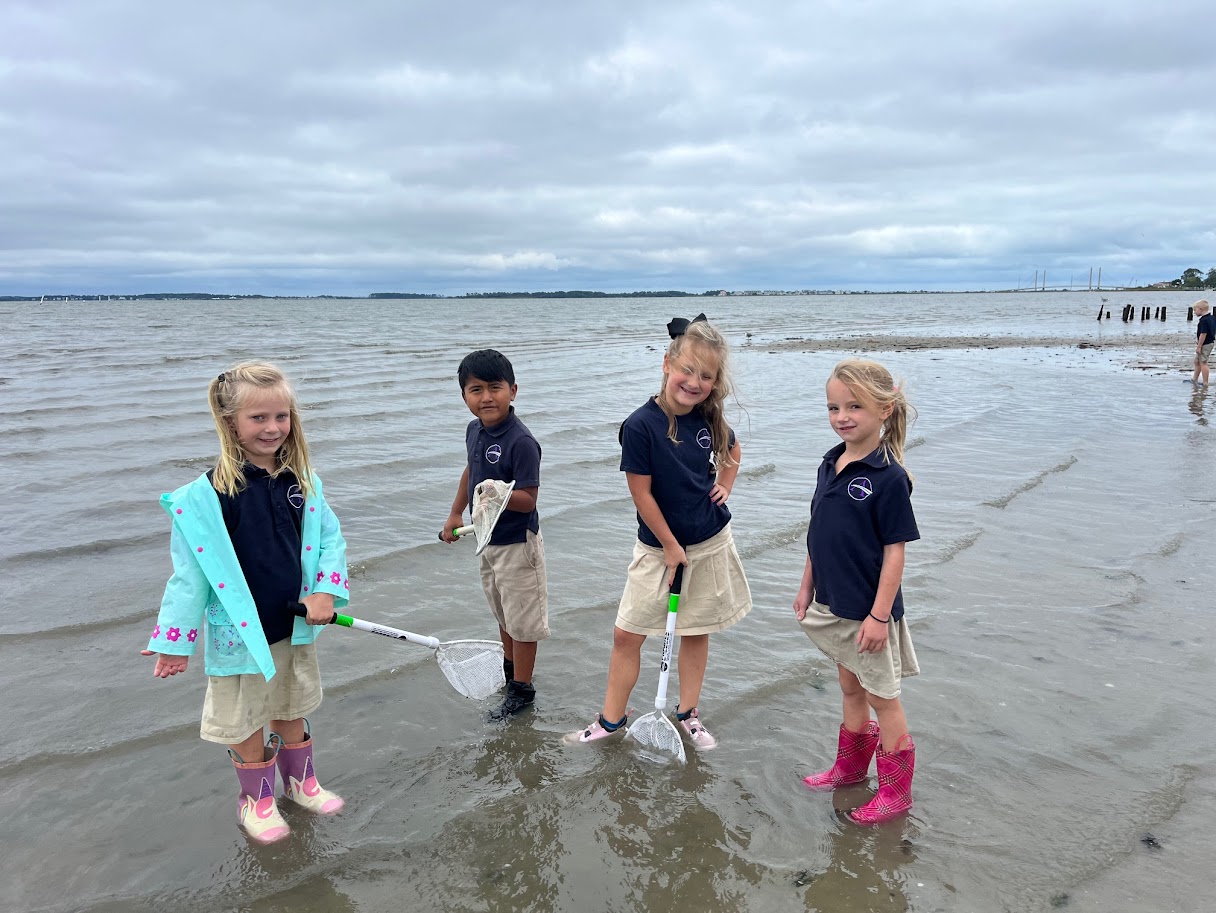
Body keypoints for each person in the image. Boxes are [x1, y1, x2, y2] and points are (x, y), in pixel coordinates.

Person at [141, 362, 349, 844]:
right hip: (241, 636)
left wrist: (324, 592)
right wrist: (175, 641)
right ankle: (256, 801)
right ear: (229, 421)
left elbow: (330, 542)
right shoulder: (208, 496)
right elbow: (189, 576)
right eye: (258, 418)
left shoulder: (304, 481)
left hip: (293, 627)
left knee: (290, 705)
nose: (273, 428)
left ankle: (302, 784)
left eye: (282, 416)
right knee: (245, 716)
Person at [565, 315, 751, 749]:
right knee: (626, 634)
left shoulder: (708, 418)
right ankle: (611, 721)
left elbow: (733, 449)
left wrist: (726, 482)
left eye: (706, 376)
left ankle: (688, 714)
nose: (694, 382)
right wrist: (669, 546)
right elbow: (641, 494)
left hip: (708, 542)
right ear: (667, 364)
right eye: (687, 369)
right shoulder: (640, 425)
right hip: (658, 550)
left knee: (695, 629)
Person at [793, 358, 920, 825]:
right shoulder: (830, 463)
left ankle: (895, 792)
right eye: (833, 407)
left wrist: (879, 616)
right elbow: (817, 532)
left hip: (870, 612)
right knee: (850, 686)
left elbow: (895, 552)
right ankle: (849, 769)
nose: (842, 416)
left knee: (883, 697)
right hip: (834, 601)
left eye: (854, 406)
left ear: (884, 409)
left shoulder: (888, 478)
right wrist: (807, 585)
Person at [441, 349, 549, 720]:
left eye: (495, 387)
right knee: (502, 614)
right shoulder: (474, 430)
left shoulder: (521, 441)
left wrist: (498, 494)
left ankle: (523, 689)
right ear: (464, 397)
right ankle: (510, 672)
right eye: (476, 390)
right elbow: (470, 472)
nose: (486, 397)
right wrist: (456, 512)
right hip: (486, 541)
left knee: (524, 622)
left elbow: (529, 498)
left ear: (513, 391)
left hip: (518, 545)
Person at [1191, 299, 1214, 387]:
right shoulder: (1212, 318)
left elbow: (1203, 334)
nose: (1194, 312)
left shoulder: (1204, 321)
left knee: (1203, 362)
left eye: (1195, 310)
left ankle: (1205, 382)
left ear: (1200, 309)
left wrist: (1199, 346)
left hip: (1205, 344)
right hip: (1208, 342)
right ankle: (1194, 379)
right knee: (1197, 362)